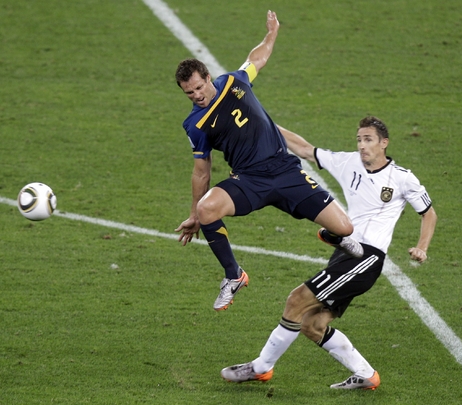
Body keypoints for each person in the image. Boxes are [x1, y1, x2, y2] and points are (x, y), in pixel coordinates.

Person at [221, 116, 437, 389]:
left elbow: (428, 213)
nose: (362, 145)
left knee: (297, 299)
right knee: (312, 325)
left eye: (368, 140)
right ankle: (367, 375)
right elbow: (305, 150)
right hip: (344, 253)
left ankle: (261, 368)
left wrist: (421, 247)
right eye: (359, 139)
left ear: (384, 143)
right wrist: (265, 123)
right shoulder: (348, 162)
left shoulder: (402, 177)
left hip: (367, 258)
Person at [174, 11, 363, 312]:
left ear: (208, 77)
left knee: (346, 228)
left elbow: (257, 59)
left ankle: (332, 236)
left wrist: (271, 33)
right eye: (189, 93)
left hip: (286, 171)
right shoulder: (194, 125)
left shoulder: (234, 81)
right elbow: (201, 171)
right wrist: (194, 214)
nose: (197, 95)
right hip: (249, 180)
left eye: (199, 87)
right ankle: (233, 275)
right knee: (206, 209)